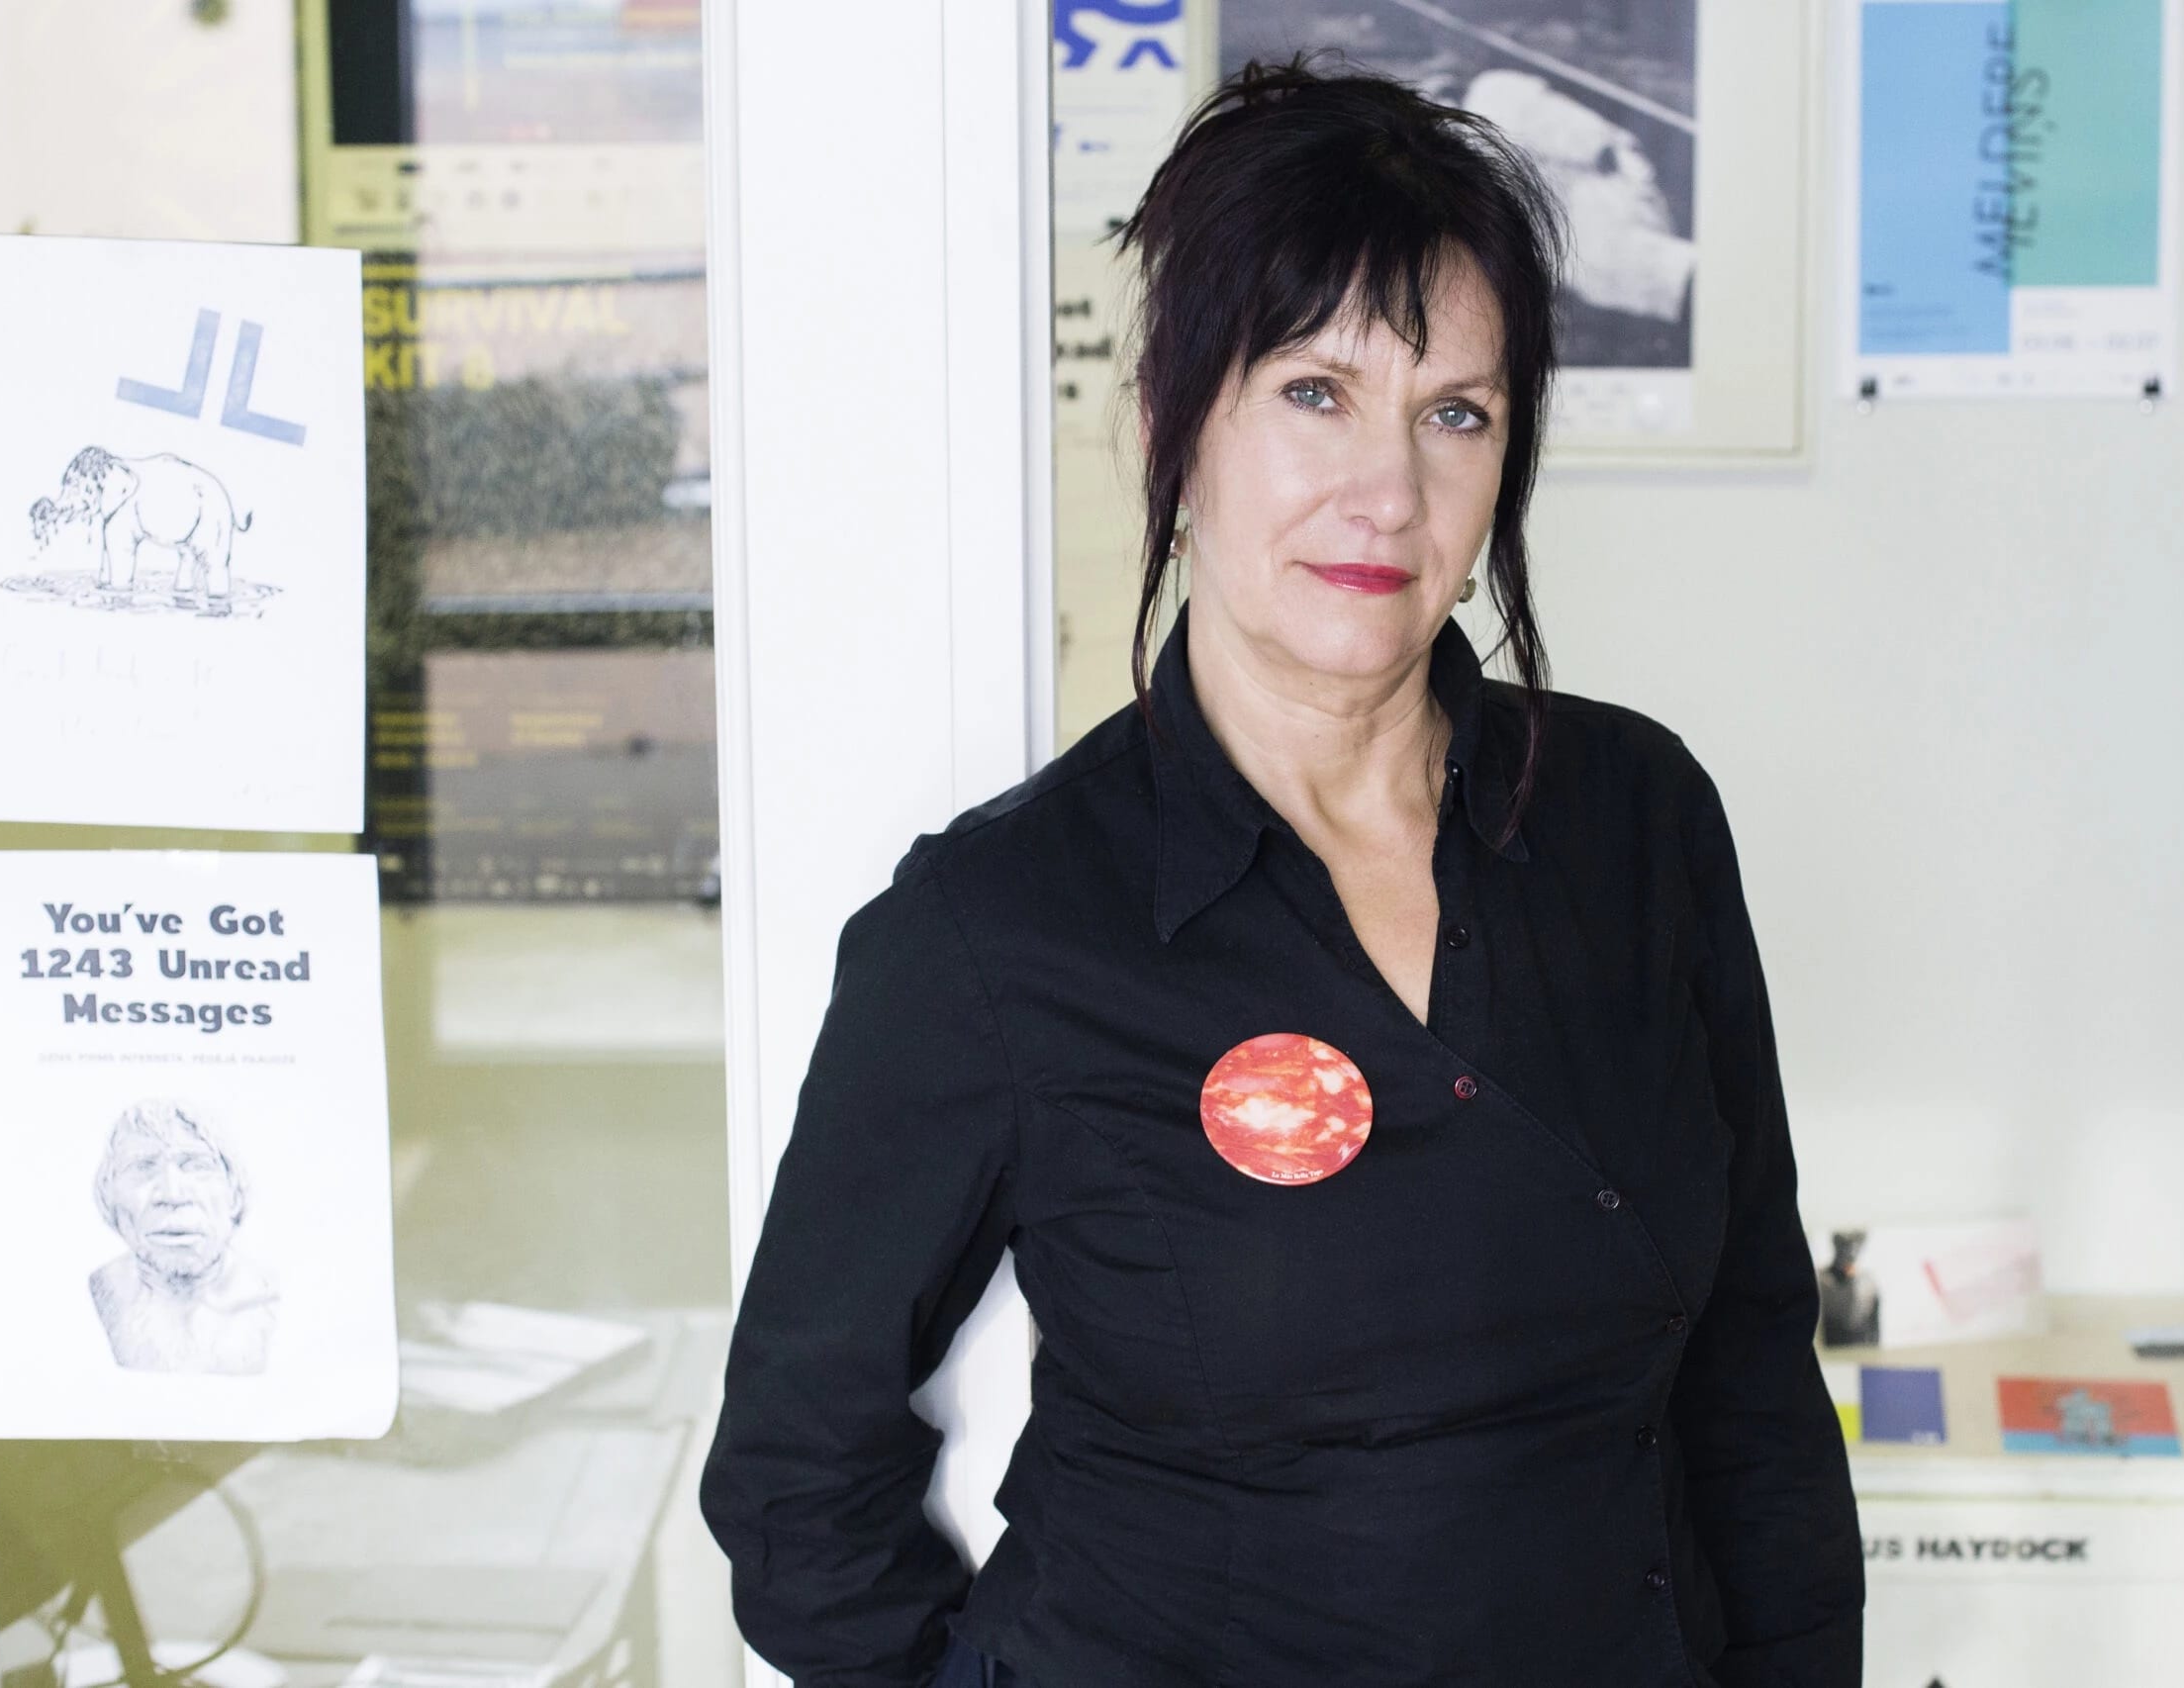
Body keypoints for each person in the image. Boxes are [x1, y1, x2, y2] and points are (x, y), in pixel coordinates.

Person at [702, 55, 1861, 1688]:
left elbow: (1750, 1372)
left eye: (1453, 413)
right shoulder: (1000, 928)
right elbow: (794, 1474)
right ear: (1185, 426)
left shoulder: (1635, 820)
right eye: (1315, 391)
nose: (1385, 492)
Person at [88, 1097, 279, 1375]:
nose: (172, 1194)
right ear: (109, 1194)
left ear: (235, 1193)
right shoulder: (98, 1293)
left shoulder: (270, 1295)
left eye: (198, 1166)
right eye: (143, 1167)